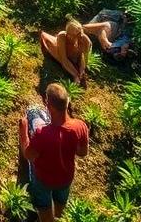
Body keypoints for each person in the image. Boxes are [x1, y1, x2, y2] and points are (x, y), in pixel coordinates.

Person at [18, 82, 89, 222]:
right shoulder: (80, 126)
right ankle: (55, 217)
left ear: (48, 106)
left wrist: (23, 131)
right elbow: (82, 152)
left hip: (44, 180)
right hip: (66, 179)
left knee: (44, 207)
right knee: (59, 207)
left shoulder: (42, 134)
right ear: (68, 102)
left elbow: (28, 155)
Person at [40, 19, 91, 86]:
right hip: (60, 50)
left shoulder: (85, 40)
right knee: (56, 53)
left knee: (77, 66)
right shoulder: (62, 36)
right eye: (69, 34)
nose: (71, 37)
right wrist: (75, 75)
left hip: (73, 54)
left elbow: (83, 57)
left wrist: (82, 71)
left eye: (74, 35)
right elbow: (63, 59)